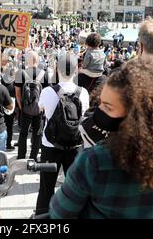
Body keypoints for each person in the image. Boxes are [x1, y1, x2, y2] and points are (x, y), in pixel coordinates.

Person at [50, 58, 153, 219]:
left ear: (136, 117)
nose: (99, 111)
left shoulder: (93, 162)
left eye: (107, 106)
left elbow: (60, 213)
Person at [35, 53, 90, 215]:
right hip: (74, 145)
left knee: (46, 186)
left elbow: (40, 109)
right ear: (76, 70)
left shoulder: (47, 91)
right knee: (75, 186)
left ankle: (42, 216)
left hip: (50, 145)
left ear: (56, 69)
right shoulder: (83, 92)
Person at [14, 51, 49, 161]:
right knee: (37, 133)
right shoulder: (44, 73)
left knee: (23, 133)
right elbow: (47, 92)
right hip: (39, 109)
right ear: (37, 60)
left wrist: (21, 107)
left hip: (25, 108)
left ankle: (21, 156)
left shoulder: (21, 73)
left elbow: (18, 93)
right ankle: (33, 157)